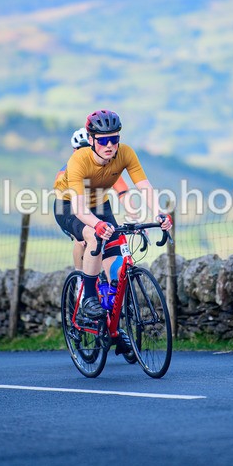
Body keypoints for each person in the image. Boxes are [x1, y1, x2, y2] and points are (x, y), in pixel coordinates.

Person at [54, 110, 173, 358]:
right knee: (93, 236)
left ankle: (115, 330)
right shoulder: (79, 160)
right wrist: (96, 226)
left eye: (114, 139)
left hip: (100, 204)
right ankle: (87, 296)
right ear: (92, 139)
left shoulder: (125, 153)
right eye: (103, 140)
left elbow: (143, 187)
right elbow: (78, 208)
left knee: (116, 268)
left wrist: (159, 214)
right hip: (69, 205)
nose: (110, 145)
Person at [56, 127, 132, 271]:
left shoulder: (106, 167)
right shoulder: (66, 171)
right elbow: (64, 203)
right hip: (71, 208)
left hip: (98, 206)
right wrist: (77, 232)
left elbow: (122, 191)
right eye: (81, 149)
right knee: (84, 240)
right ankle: (81, 281)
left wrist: (133, 214)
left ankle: (112, 284)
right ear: (74, 152)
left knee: (114, 240)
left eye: (89, 148)